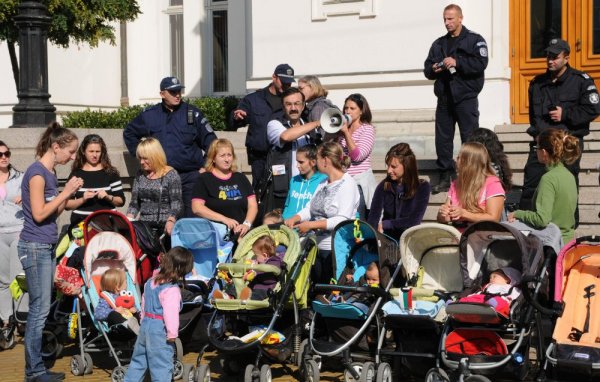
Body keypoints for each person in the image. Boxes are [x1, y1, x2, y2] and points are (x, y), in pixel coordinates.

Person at [19, 122, 83, 382]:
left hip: (44, 246)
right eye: (70, 151)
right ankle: (33, 371)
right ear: (55, 147)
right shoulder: (37, 173)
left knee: (41, 309)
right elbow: (38, 213)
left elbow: (54, 211)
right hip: (34, 247)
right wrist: (65, 192)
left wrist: (73, 197)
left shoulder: (50, 172)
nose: (72, 157)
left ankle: (37, 368)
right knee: (39, 310)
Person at [520, 38, 600, 220]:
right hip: (542, 144)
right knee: (531, 185)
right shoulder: (537, 83)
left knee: (566, 186)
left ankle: (568, 227)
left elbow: (593, 109)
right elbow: (534, 116)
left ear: (566, 58)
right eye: (548, 56)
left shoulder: (581, 81)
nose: (550, 60)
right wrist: (539, 136)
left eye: (555, 57)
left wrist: (566, 115)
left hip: (567, 144)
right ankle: (527, 225)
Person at [123, 76, 217, 218]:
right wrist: (144, 155)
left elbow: (211, 142)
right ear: (162, 94)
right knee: (165, 219)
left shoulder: (193, 114)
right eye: (173, 92)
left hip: (190, 177)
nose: (177, 95)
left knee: (191, 219)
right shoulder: (150, 115)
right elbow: (129, 133)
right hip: (162, 176)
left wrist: (205, 166)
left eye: (179, 91)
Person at [424, 3, 489, 194]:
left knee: (470, 138)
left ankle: (472, 177)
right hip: (444, 98)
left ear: (460, 18)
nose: (447, 22)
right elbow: (427, 69)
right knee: (442, 139)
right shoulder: (439, 43)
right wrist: (435, 68)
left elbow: (481, 63)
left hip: (465, 97)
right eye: (445, 19)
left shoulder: (474, 40)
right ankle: (445, 176)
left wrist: (457, 62)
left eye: (451, 18)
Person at [284, 141, 360, 285]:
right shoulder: (323, 182)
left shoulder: (348, 184)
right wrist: (296, 217)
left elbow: (342, 219)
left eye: (317, 159)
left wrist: (311, 225)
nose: (316, 162)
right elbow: (309, 208)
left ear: (325, 160)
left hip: (336, 250)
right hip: (317, 247)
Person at [124, 246, 194, 382]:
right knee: (161, 365)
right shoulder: (171, 290)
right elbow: (170, 314)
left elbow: (143, 304)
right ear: (181, 269)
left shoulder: (151, 282)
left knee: (138, 362)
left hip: (145, 326)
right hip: (159, 329)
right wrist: (172, 333)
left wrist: (143, 320)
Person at [509, 128, 581, 245]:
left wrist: (518, 213)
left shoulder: (548, 178)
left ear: (544, 152)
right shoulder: (569, 175)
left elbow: (542, 219)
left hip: (552, 246)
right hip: (568, 244)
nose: (535, 151)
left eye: (536, 148)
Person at [231, 64, 295, 192]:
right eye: (283, 82)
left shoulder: (291, 101)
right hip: (259, 158)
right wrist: (237, 118)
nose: (286, 86)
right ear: (274, 77)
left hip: (283, 156)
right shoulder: (254, 99)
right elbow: (235, 123)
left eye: (289, 83)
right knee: (260, 190)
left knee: (281, 189)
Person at [264, 87, 322, 210]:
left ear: (303, 106)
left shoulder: (309, 127)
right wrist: (317, 123)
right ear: (283, 106)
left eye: (297, 104)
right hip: (283, 190)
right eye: (289, 104)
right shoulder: (274, 124)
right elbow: (286, 136)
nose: (293, 108)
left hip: (308, 188)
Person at [191, 139, 257, 240]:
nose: (227, 159)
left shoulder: (240, 178)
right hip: (215, 236)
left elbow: (252, 205)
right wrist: (224, 219)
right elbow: (197, 208)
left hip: (241, 234)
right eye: (222, 156)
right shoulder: (204, 179)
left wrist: (246, 224)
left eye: (229, 155)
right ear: (213, 158)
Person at [367, 143, 431, 240]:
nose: (389, 170)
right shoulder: (384, 186)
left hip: (409, 241)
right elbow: (373, 218)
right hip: (387, 241)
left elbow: (414, 221)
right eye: (388, 166)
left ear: (406, 165)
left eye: (393, 166)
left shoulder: (422, 187)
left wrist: (386, 224)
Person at [437, 142, 505, 231]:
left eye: (459, 158)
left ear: (469, 162)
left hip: (481, 239)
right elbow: (443, 218)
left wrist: (464, 214)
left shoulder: (493, 184)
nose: (456, 160)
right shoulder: (455, 184)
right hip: (456, 237)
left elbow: (494, 218)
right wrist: (443, 214)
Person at [126, 137, 182, 239]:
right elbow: (134, 203)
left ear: (155, 156)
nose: (141, 162)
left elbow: (176, 203)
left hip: (164, 228)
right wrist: (128, 221)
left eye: (145, 158)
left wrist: (171, 220)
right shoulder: (140, 175)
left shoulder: (171, 175)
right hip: (143, 228)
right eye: (140, 158)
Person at [66, 134, 125, 225]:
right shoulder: (76, 174)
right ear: (83, 151)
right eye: (91, 151)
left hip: (107, 225)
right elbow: (66, 205)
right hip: (80, 225)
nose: (94, 155)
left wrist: (108, 197)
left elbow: (121, 201)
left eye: (98, 151)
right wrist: (83, 199)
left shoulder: (111, 173)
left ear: (102, 152)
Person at [336, 93, 377, 219]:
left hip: (359, 183)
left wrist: (346, 133)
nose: (348, 111)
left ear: (361, 111)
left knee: (357, 222)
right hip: (343, 181)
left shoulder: (367, 129)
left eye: (352, 109)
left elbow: (357, 156)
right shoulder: (341, 130)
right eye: (346, 108)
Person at [0, 140, 25, 330]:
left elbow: (39, 195)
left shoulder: (20, 177)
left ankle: (21, 318)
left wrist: (26, 197)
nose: (4, 158)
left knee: (19, 278)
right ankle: (6, 320)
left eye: (6, 154)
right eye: (0, 155)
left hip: (17, 230)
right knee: (2, 280)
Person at [214, 235, 284, 301]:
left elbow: (269, 279)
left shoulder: (274, 261)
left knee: (255, 295)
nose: (255, 258)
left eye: (256, 255)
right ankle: (228, 296)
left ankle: (245, 299)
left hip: (265, 289)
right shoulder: (258, 262)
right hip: (251, 288)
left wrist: (255, 272)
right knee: (236, 283)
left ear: (264, 255)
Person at [282, 144, 327, 220]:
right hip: (287, 226)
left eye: (301, 162)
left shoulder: (323, 181)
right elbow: (287, 205)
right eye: (297, 162)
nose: (297, 166)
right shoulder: (294, 180)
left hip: (307, 228)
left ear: (313, 162)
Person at [95, 268, 140, 335]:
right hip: (117, 328)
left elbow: (134, 308)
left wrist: (134, 309)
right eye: (125, 281)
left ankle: (135, 326)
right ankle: (127, 325)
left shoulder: (126, 296)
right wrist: (114, 310)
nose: (127, 283)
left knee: (137, 313)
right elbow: (97, 314)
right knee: (113, 315)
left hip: (130, 320)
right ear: (118, 287)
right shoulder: (106, 298)